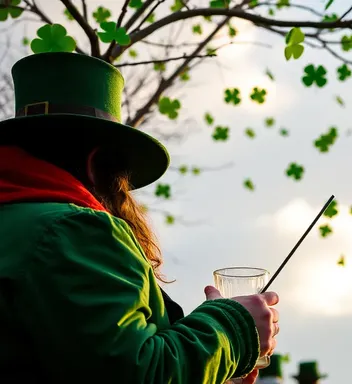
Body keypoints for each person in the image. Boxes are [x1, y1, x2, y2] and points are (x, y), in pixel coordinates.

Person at [0, 52, 279, 383]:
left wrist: (221, 366)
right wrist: (234, 330)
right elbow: (138, 373)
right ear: (95, 164)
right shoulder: (76, 230)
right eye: (122, 177)